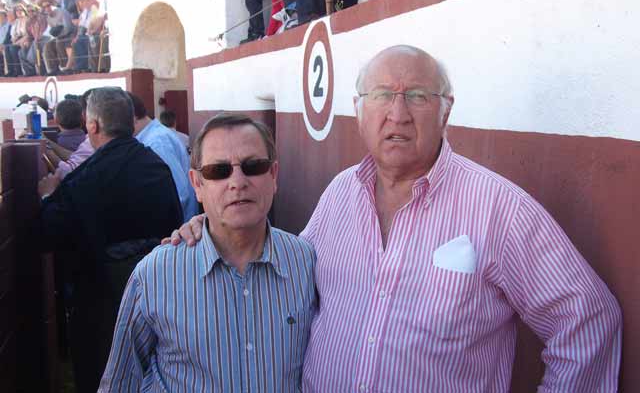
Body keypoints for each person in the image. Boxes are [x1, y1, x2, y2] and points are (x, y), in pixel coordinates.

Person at [170, 46, 622, 392]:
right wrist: (215, 232)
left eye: (418, 97)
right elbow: (288, 273)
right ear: (360, 110)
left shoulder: (498, 208)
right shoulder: (341, 193)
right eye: (382, 95)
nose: (398, 114)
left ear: (447, 108)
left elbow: (587, 319)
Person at [99, 113, 316, 392]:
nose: (237, 182)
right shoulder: (155, 275)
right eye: (218, 171)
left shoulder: (307, 264)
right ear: (197, 184)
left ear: (273, 175)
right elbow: (119, 383)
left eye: (253, 166)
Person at [38, 87, 183, 393]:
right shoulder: (156, 168)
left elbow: (48, 232)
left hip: (100, 300)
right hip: (155, 294)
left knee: (99, 371)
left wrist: (48, 195)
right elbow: (174, 224)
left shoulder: (86, 178)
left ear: (92, 126)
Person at [130, 92, 198, 221]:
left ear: (132, 117)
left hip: (177, 230)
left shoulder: (156, 143)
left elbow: (179, 193)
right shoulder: (153, 136)